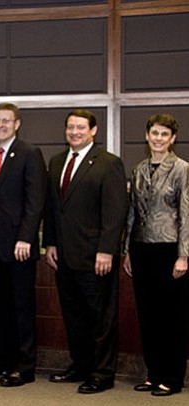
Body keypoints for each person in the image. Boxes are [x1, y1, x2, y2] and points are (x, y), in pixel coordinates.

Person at [43, 109, 127, 394]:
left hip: (96, 257)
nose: (74, 132)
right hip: (64, 255)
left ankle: (102, 373)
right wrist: (50, 243)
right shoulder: (56, 163)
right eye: (70, 127)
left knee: (100, 317)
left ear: (93, 130)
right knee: (74, 315)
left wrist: (107, 250)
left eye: (80, 127)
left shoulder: (109, 164)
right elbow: (53, 209)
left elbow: (115, 212)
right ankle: (80, 365)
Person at [0, 103, 46, 387]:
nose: (0, 125)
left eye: (6, 121)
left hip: (19, 245)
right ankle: (2, 358)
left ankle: (24, 366)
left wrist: (26, 237)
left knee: (22, 307)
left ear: (17, 124)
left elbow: (35, 200)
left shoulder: (30, 154)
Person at [123, 114, 189, 397]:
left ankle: (172, 378)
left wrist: (184, 255)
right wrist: (127, 250)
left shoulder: (182, 169)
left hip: (169, 248)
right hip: (141, 248)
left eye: (164, 134)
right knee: (148, 316)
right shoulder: (139, 169)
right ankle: (153, 374)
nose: (158, 139)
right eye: (154, 133)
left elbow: (187, 213)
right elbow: (132, 213)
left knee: (171, 317)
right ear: (147, 136)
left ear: (172, 139)